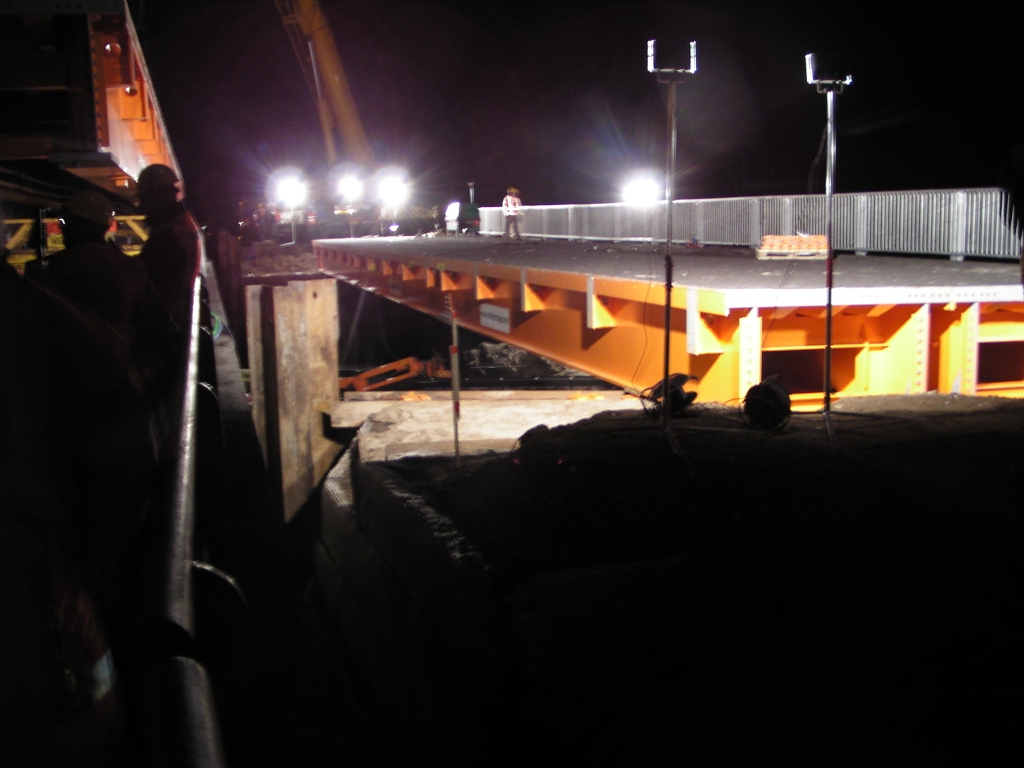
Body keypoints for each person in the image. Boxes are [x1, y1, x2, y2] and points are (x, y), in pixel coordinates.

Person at [136, 164, 203, 332]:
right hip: (179, 315)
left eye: (145, 199)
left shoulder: (168, 234)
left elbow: (150, 283)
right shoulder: (182, 222)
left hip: (170, 322)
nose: (142, 207)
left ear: (157, 197)